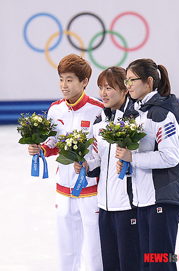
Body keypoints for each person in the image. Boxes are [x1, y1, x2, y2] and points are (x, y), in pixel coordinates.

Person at [28, 54, 104, 271]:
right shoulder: (55, 109)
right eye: (61, 79)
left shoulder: (98, 110)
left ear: (84, 82)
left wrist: (88, 164)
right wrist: (40, 148)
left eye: (69, 80)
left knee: (95, 251)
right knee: (66, 251)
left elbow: (104, 151)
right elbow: (53, 143)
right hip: (63, 190)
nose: (64, 85)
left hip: (91, 191)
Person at [115, 58, 179, 271]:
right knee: (149, 265)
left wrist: (133, 159)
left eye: (132, 80)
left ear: (149, 82)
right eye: (126, 80)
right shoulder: (139, 114)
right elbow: (142, 154)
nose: (127, 86)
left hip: (164, 199)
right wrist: (127, 165)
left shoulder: (160, 114)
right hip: (145, 199)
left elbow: (170, 157)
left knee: (162, 264)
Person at [74, 66, 141, 271]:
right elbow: (99, 160)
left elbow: (144, 158)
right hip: (104, 206)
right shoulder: (99, 122)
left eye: (109, 87)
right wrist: (86, 165)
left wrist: (132, 161)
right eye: (101, 87)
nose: (103, 93)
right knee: (109, 264)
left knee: (130, 264)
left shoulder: (135, 120)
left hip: (128, 205)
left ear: (124, 90)